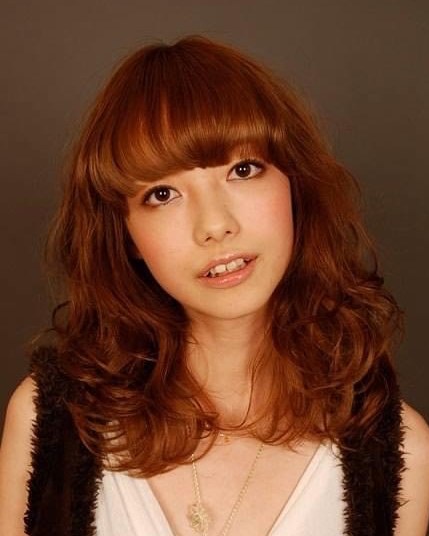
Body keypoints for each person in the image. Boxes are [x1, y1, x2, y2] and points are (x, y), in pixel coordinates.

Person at [0, 35, 428, 536]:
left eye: (243, 170)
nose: (215, 225)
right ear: (126, 234)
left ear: (295, 184)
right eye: (163, 194)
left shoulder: (399, 452)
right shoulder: (51, 420)